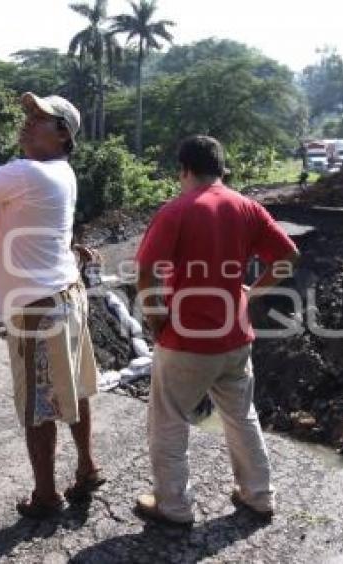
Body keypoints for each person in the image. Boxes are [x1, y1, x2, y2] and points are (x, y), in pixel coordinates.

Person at [0, 93, 102, 519]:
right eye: (28, 115)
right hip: (66, 293)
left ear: (62, 133)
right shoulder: (58, 172)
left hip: (37, 307)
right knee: (77, 386)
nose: (27, 122)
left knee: (37, 403)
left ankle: (46, 496)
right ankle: (86, 466)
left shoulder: (29, 173)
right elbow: (2, 195)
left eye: (39, 118)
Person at [134, 135, 300, 525]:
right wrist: (251, 293)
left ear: (184, 169)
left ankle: (173, 505)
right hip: (236, 336)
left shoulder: (177, 210)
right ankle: (258, 495)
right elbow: (288, 256)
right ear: (221, 168)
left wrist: (156, 317)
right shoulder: (247, 207)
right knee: (242, 415)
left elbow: (144, 272)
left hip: (187, 339)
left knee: (170, 418)